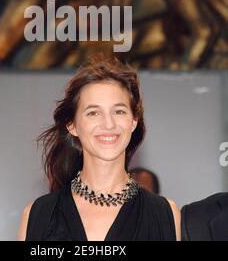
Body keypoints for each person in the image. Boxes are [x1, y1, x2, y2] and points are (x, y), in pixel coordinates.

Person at [18, 56, 181, 241]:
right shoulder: (38, 215)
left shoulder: (164, 213)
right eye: (93, 113)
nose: (108, 124)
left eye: (119, 111)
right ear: (72, 125)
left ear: (133, 121)